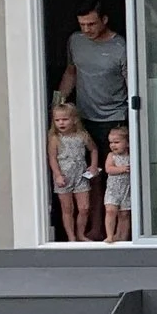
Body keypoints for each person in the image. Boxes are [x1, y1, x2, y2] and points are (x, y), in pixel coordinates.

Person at [59, 0, 128, 237]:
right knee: (91, 175)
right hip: (84, 118)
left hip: (115, 118)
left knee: (117, 174)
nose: (86, 29)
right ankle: (97, 229)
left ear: (104, 20)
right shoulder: (75, 41)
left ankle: (121, 231)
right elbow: (71, 72)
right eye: (82, 24)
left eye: (91, 24)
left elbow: (131, 82)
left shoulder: (120, 46)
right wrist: (57, 103)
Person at [47, 102, 97, 244]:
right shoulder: (55, 139)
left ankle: (81, 234)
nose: (61, 123)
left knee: (84, 207)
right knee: (68, 209)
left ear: (74, 119)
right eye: (57, 120)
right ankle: (71, 237)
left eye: (65, 119)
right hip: (64, 176)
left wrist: (93, 166)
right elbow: (52, 157)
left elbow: (93, 149)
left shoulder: (82, 135)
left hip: (81, 175)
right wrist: (57, 174)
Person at [100, 125, 134, 244]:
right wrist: (122, 169)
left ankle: (122, 236)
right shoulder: (112, 156)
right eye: (111, 142)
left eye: (117, 142)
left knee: (124, 214)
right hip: (113, 190)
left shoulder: (132, 156)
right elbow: (108, 169)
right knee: (110, 211)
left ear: (128, 143)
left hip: (127, 190)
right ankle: (110, 235)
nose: (113, 145)